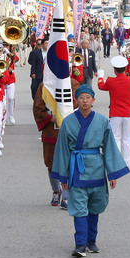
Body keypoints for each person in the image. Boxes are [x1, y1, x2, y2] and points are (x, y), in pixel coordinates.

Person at [51, 84, 130, 257]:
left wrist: (112, 174)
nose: (85, 100)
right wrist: (63, 176)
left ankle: (91, 240)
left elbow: (109, 147)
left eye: (88, 97)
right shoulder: (68, 122)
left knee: (95, 206)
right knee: (79, 207)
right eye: (81, 97)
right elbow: (63, 150)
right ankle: (80, 244)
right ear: (76, 100)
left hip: (96, 168)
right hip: (77, 169)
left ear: (93, 99)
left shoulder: (102, 121)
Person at [33, 73, 80, 208]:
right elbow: (38, 109)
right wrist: (52, 118)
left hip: (70, 129)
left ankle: (66, 195)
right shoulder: (44, 86)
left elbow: (81, 101)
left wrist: (67, 111)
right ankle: (56, 190)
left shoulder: (73, 83)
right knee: (51, 162)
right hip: (51, 130)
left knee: (69, 161)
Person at [97, 56, 130, 168]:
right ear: (125, 68)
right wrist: (129, 101)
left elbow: (101, 86)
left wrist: (100, 76)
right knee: (129, 139)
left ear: (114, 69)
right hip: (129, 114)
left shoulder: (110, 81)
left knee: (116, 138)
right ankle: (127, 164)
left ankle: (117, 163)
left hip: (115, 114)